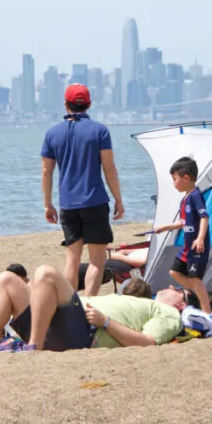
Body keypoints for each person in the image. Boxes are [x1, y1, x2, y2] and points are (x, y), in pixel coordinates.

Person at [0, 264, 187, 353]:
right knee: (5, 280)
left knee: (46, 273)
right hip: (60, 317)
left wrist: (106, 322)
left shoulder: (169, 314)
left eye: (177, 289)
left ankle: (34, 347)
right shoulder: (140, 301)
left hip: (84, 329)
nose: (170, 286)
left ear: (182, 303)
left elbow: (148, 343)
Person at [41, 84, 125, 296]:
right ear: (89, 104)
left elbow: (46, 172)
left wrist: (47, 204)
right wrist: (118, 199)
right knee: (97, 260)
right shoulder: (100, 131)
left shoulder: (52, 134)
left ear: (65, 104)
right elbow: (109, 168)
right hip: (95, 201)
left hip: (68, 204)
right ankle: (89, 303)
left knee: (72, 258)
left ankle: (72, 307)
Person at [156, 157, 212, 314]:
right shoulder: (185, 199)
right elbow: (183, 222)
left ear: (186, 178)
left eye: (175, 179)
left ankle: (207, 311)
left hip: (196, 247)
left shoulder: (195, 195)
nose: (173, 183)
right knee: (174, 272)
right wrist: (166, 227)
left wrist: (200, 238)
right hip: (186, 248)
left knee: (196, 280)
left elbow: (204, 217)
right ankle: (196, 292)